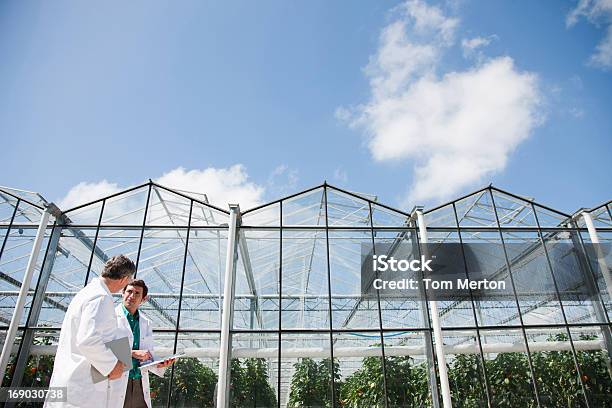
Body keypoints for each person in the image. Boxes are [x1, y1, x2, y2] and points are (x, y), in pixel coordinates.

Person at [45, 254, 136, 408]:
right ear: (123, 279)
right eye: (129, 281)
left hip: (73, 382)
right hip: (81, 386)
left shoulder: (88, 293)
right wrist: (113, 366)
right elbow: (88, 340)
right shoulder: (100, 298)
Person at [110, 279, 175, 408]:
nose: (132, 296)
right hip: (117, 380)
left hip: (139, 381)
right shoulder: (110, 317)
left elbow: (147, 356)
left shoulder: (146, 323)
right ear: (122, 293)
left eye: (137, 293)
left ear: (144, 299)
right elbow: (100, 347)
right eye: (129, 291)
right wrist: (133, 353)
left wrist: (160, 364)